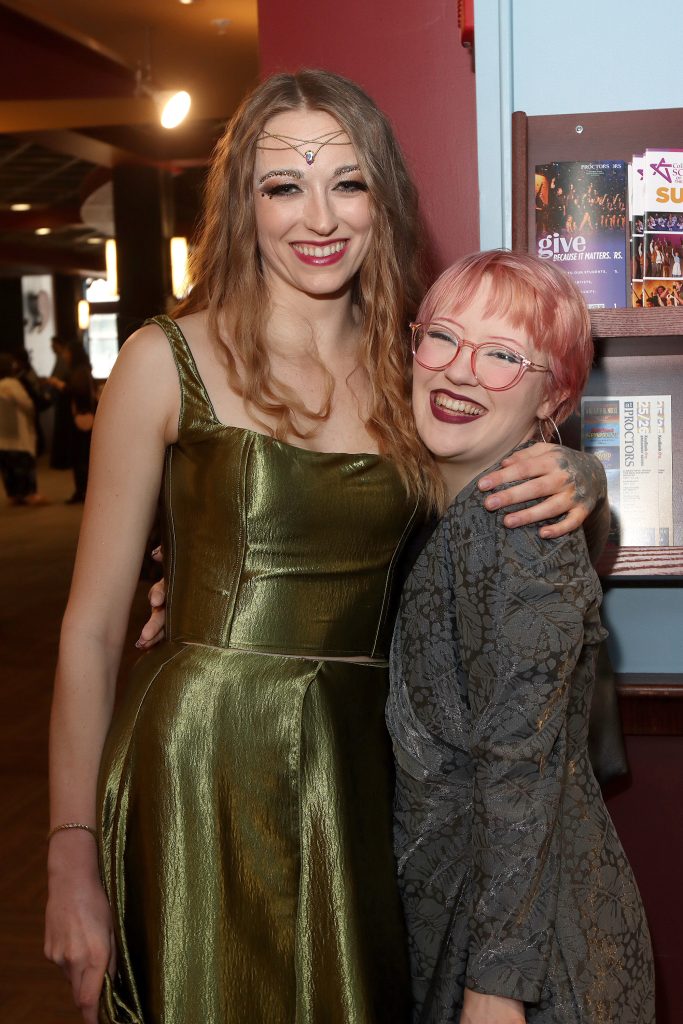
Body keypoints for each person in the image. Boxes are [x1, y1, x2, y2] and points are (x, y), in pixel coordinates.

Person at [44, 72, 608, 1024]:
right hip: (201, 763)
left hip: (364, 770)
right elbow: (92, 631)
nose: (319, 217)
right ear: (243, 203)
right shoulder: (163, 360)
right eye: (284, 186)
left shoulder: (416, 366)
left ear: (383, 196)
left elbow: (494, 518)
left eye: (347, 183)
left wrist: (583, 479)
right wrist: (69, 854)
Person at [386, 250, 654, 1024]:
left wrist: (495, 988)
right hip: (474, 921)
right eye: (442, 338)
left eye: (502, 355)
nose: (459, 371)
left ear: (553, 397)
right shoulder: (437, 511)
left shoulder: (514, 526)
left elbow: (519, 771)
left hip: (525, 964)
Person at [48, 340, 97, 503]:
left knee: (80, 456)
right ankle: (83, 490)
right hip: (84, 417)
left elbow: (78, 391)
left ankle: (82, 491)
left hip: (81, 418)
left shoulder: (79, 371)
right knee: (82, 456)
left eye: (67, 353)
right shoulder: (83, 370)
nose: (65, 356)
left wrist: (60, 385)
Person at [0, 352, 47, 506]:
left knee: (8, 468)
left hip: (2, 435)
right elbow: (27, 405)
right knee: (23, 465)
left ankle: (14, 494)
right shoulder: (12, 384)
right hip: (18, 434)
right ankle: (29, 494)